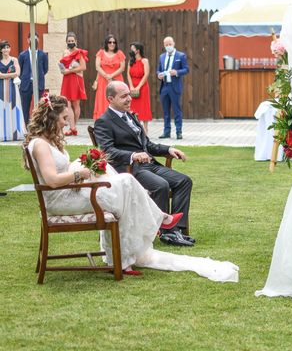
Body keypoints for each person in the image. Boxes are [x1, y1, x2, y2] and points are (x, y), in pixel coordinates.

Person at [24, 93, 184, 275]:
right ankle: (146, 232)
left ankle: (126, 255)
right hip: (60, 201)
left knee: (119, 180)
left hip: (68, 192)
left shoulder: (47, 142)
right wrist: (79, 174)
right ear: (51, 118)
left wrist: (84, 166)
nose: (66, 123)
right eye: (64, 118)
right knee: (125, 185)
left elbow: (60, 172)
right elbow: (52, 180)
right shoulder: (41, 145)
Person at [93, 81, 195, 247]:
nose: (129, 99)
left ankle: (175, 229)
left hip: (149, 165)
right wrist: (133, 155)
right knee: (160, 185)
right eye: (124, 96)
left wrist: (168, 149)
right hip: (129, 170)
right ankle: (164, 232)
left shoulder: (130, 116)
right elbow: (107, 151)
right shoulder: (104, 121)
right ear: (110, 99)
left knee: (184, 181)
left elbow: (147, 145)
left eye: (129, 95)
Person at [156, 36, 189, 139]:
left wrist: (177, 72)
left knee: (177, 110)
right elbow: (158, 70)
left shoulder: (181, 56)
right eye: (166, 44)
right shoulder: (162, 56)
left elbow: (186, 69)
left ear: (174, 43)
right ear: (164, 45)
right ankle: (167, 131)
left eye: (170, 44)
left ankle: (179, 132)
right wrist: (158, 75)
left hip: (174, 87)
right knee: (166, 111)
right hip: (165, 86)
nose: (168, 46)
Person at [59, 32, 88, 136]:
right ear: (66, 42)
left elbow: (83, 67)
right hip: (66, 79)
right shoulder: (65, 52)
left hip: (76, 79)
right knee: (68, 103)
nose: (71, 42)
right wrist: (62, 70)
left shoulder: (79, 53)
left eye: (72, 41)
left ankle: (73, 127)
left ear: (76, 41)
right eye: (69, 41)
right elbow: (62, 66)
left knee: (76, 103)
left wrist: (70, 71)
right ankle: (73, 128)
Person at [18, 34, 48, 125]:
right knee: (25, 107)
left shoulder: (43, 54)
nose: (33, 41)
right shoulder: (22, 55)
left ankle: (38, 125)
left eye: (35, 39)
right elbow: (20, 69)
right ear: (28, 40)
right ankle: (25, 127)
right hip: (26, 84)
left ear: (38, 40)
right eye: (31, 39)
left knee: (39, 106)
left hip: (38, 84)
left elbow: (45, 69)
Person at [93, 34, 126, 120]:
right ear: (106, 43)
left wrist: (111, 75)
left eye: (114, 42)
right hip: (103, 81)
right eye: (110, 42)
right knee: (102, 100)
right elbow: (97, 67)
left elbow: (122, 68)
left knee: (117, 99)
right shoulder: (100, 52)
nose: (112, 44)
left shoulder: (120, 53)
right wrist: (106, 76)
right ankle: (102, 122)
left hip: (117, 80)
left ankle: (118, 121)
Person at [0, 40, 26, 141]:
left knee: (14, 107)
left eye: (7, 47)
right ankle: (3, 134)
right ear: (1, 50)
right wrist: (10, 75)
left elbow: (18, 73)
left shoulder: (14, 60)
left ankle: (15, 133)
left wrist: (4, 76)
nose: (6, 49)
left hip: (13, 88)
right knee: (2, 108)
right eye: (4, 48)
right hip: (1, 87)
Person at [127, 42, 152, 133]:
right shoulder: (130, 61)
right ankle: (134, 127)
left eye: (132, 48)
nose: (131, 50)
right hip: (132, 86)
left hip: (142, 86)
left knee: (144, 107)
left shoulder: (144, 61)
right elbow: (128, 75)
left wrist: (138, 87)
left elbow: (146, 74)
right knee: (133, 107)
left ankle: (145, 128)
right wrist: (131, 86)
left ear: (138, 50)